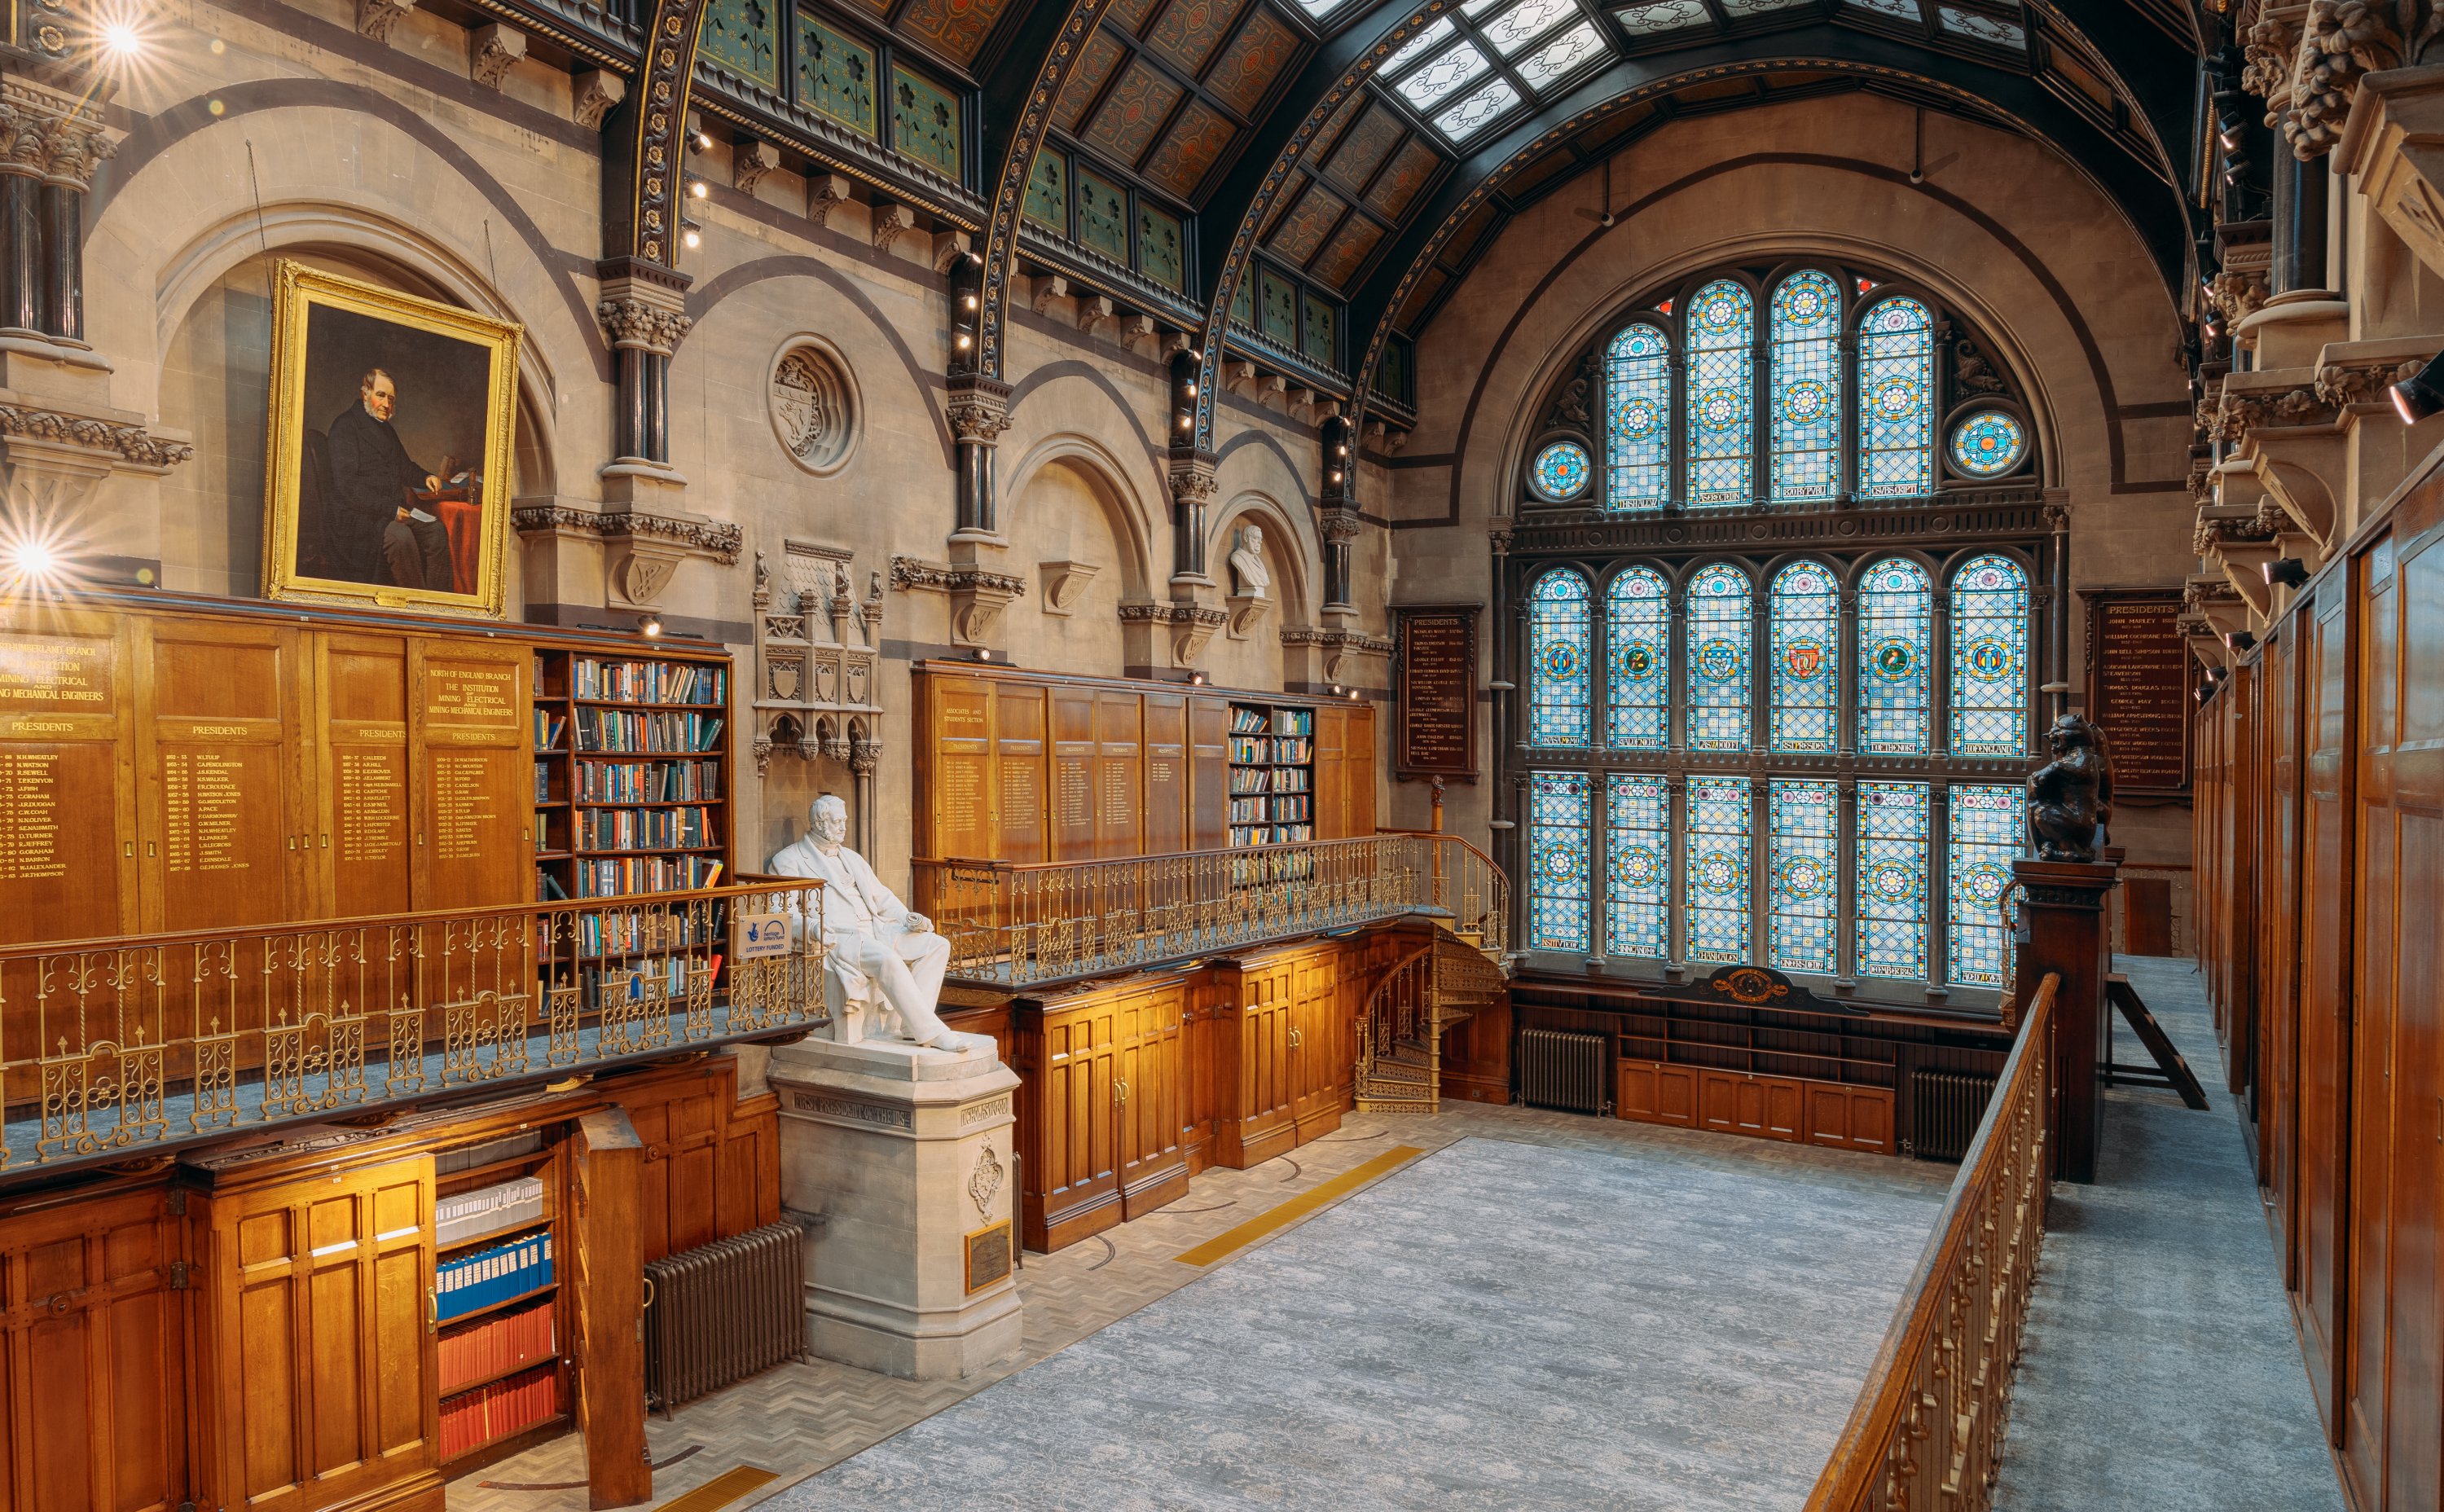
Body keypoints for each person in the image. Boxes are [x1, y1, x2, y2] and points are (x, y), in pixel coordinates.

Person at [767, 795, 990, 1053]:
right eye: (836, 822)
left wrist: (906, 917)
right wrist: (813, 928)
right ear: (819, 823)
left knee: (937, 944)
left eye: (845, 821)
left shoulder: (852, 857)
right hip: (841, 938)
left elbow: (881, 896)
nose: (843, 827)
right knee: (888, 960)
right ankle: (933, 1032)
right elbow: (781, 914)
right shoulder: (789, 860)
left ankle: (911, 1025)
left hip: (879, 929)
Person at [323, 367, 454, 591]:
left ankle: (437, 605)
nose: (387, 404)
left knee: (436, 531)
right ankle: (415, 606)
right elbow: (348, 488)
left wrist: (426, 477)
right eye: (381, 395)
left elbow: (405, 467)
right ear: (365, 394)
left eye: (391, 399)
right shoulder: (344, 427)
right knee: (401, 538)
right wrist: (390, 509)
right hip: (357, 520)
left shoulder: (385, 430)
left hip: (389, 511)